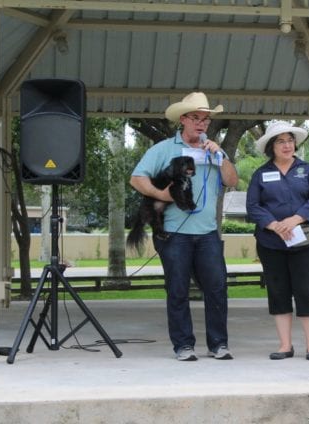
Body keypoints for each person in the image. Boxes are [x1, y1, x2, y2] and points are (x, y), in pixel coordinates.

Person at [130, 92, 239, 361]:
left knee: (216, 288)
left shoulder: (214, 149)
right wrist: (162, 195)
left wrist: (221, 156)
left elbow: (233, 180)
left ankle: (218, 344)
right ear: (183, 120)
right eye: (196, 118)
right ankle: (183, 345)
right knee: (177, 290)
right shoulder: (164, 149)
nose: (202, 124)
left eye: (205, 119)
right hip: (174, 234)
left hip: (207, 234)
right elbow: (137, 178)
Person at [246, 122, 309, 360]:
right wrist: (274, 225)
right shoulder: (260, 174)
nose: (287, 145)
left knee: (305, 290)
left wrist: (295, 219)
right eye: (281, 141)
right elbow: (253, 206)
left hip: (303, 242)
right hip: (271, 242)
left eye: (290, 140)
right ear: (272, 146)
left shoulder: (307, 170)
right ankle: (285, 346)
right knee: (278, 291)